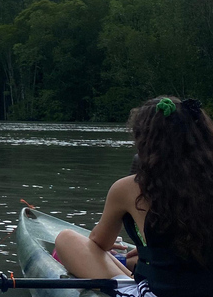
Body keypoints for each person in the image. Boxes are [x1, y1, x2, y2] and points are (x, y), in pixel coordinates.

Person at [54, 96, 213, 297]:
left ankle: (135, 279)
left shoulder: (129, 188)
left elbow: (98, 242)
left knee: (66, 239)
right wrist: (149, 255)